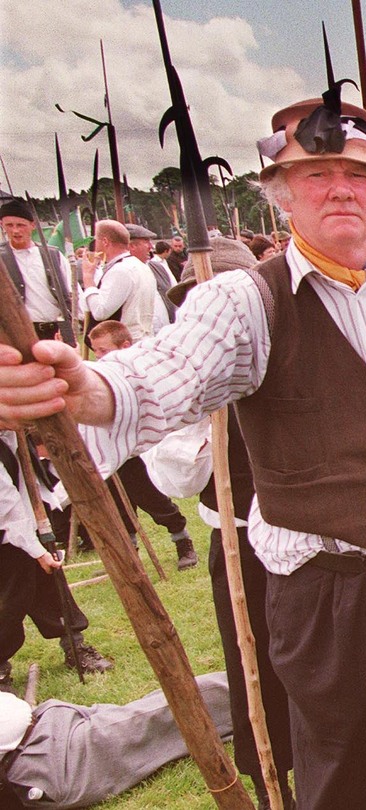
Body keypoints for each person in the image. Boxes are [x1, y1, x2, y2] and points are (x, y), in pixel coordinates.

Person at [0, 92, 366, 810]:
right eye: (317, 175)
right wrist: (86, 388)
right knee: (340, 784)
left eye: (358, 176)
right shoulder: (247, 301)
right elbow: (163, 375)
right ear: (282, 193)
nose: (340, 191)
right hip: (333, 598)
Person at [142, 242, 296, 809]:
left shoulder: (292, 354)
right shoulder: (191, 376)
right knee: (252, 662)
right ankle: (271, 775)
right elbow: (174, 478)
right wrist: (206, 420)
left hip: (313, 542)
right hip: (238, 542)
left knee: (321, 666)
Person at [0, 673, 233, 809]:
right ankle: (260, 691)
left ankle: (255, 695)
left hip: (47, 719)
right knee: (166, 712)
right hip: (50, 761)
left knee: (153, 711)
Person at [0, 431, 114, 690]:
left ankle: (75, 645)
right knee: (10, 598)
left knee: (51, 585)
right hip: (6, 532)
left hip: (30, 523)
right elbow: (7, 510)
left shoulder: (16, 433)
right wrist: (36, 549)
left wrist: (44, 525)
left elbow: (38, 484)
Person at [87, 320, 198, 571]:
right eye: (96, 351)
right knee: (115, 503)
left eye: (104, 350)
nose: (98, 356)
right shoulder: (101, 372)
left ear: (125, 346)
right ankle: (128, 553)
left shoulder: (138, 371)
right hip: (111, 450)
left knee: (148, 496)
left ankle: (181, 539)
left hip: (135, 448)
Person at [0, 199, 73, 345]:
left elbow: (71, 293)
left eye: (20, 225)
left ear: (32, 225)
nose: (15, 231)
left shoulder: (54, 255)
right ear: (2, 225)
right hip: (19, 333)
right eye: (9, 225)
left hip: (57, 330)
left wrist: (72, 325)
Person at [75, 220, 162, 340]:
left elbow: (100, 311)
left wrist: (88, 278)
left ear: (105, 241)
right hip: (139, 340)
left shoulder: (120, 270)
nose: (94, 244)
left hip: (126, 344)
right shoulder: (139, 265)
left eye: (96, 239)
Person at [124, 224, 177, 327]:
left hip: (167, 330)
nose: (151, 247)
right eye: (145, 241)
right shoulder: (122, 272)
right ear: (131, 246)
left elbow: (175, 293)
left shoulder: (159, 267)